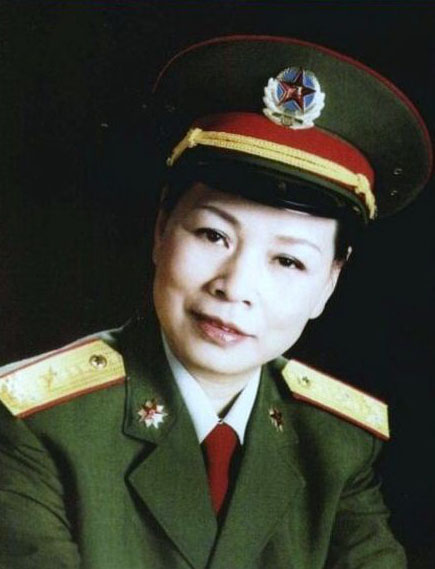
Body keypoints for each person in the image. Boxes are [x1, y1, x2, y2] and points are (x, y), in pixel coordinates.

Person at [0, 36, 431, 569]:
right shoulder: (39, 427)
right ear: (162, 229)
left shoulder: (335, 444)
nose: (235, 286)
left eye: (288, 261)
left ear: (329, 283)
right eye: (213, 235)